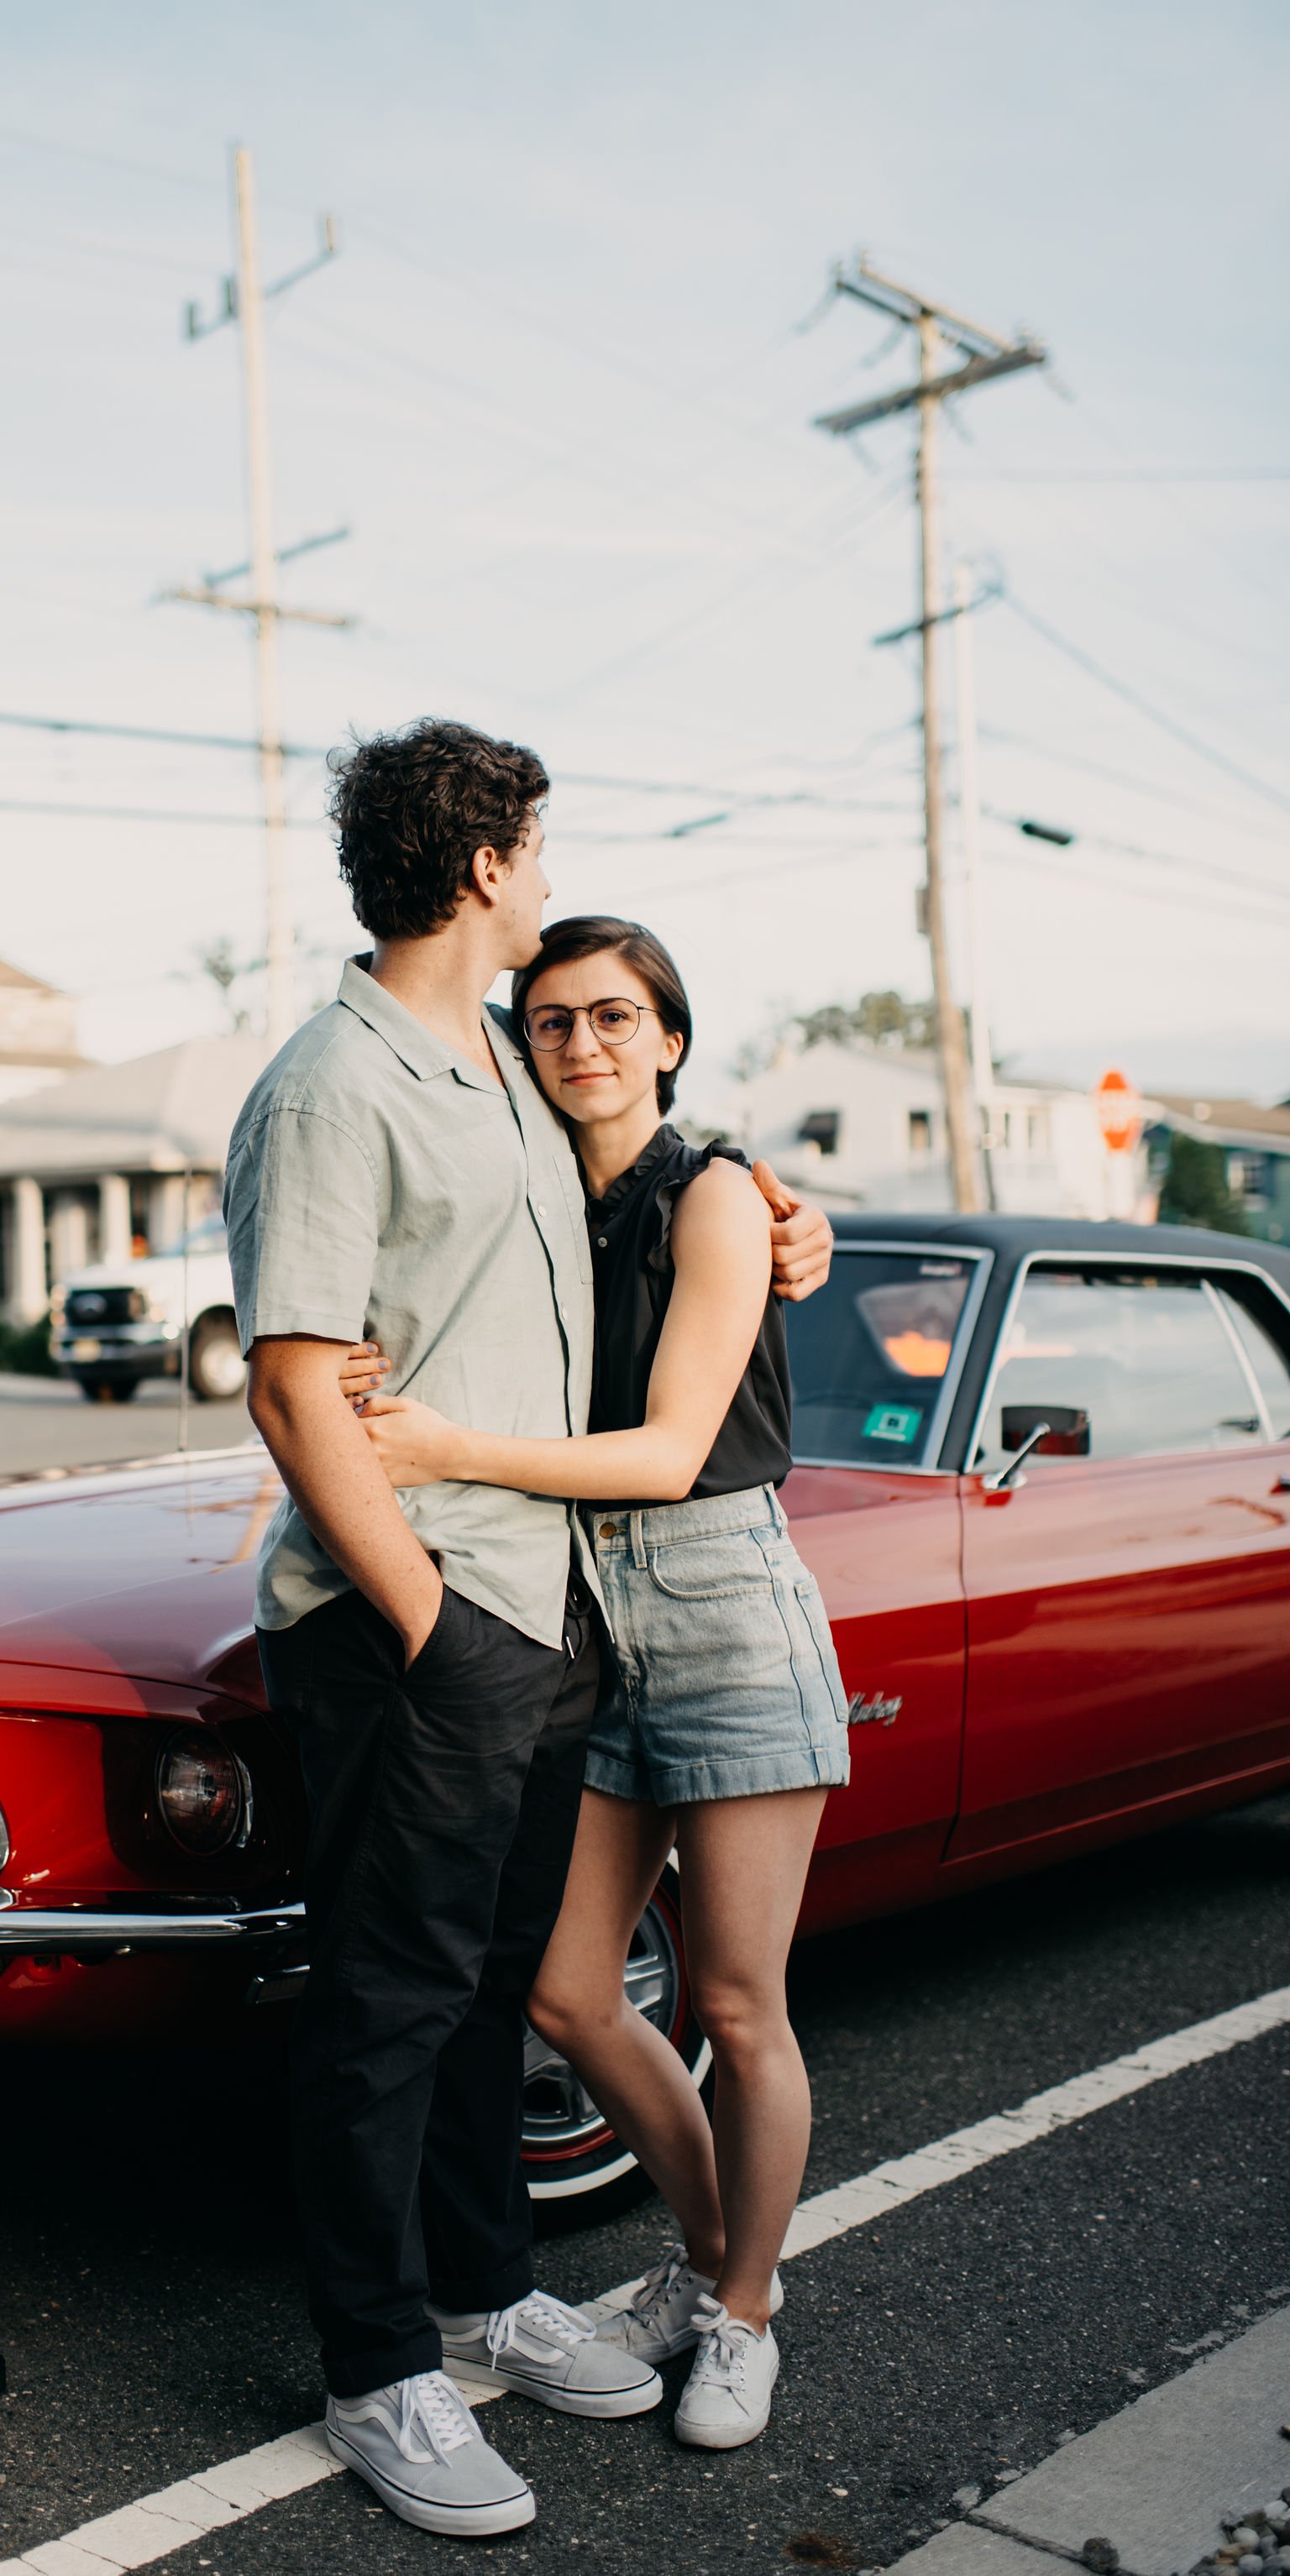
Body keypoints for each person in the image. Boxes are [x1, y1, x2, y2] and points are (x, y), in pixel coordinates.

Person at [223, 721, 832, 2539]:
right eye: (539, 853)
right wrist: (428, 1624)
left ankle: (489, 2291)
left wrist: (781, 1214)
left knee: (497, 1991)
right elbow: (289, 1388)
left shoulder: (493, 1061)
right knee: (390, 1998)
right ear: (486, 867)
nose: (548, 882)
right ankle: (377, 2366)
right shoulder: (335, 1083)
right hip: (425, 1618)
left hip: (551, 1607)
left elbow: (656, 1160)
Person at [349, 911, 849, 2459]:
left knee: (736, 2003)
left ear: (673, 1038)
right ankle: (712, 2264)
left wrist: (443, 1445)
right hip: (580, 1613)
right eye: (553, 1020)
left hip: (719, 1603)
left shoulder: (716, 1201)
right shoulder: (532, 1191)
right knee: (570, 1992)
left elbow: (672, 1451)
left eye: (617, 1018)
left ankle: (747, 2315)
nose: (583, 1045)